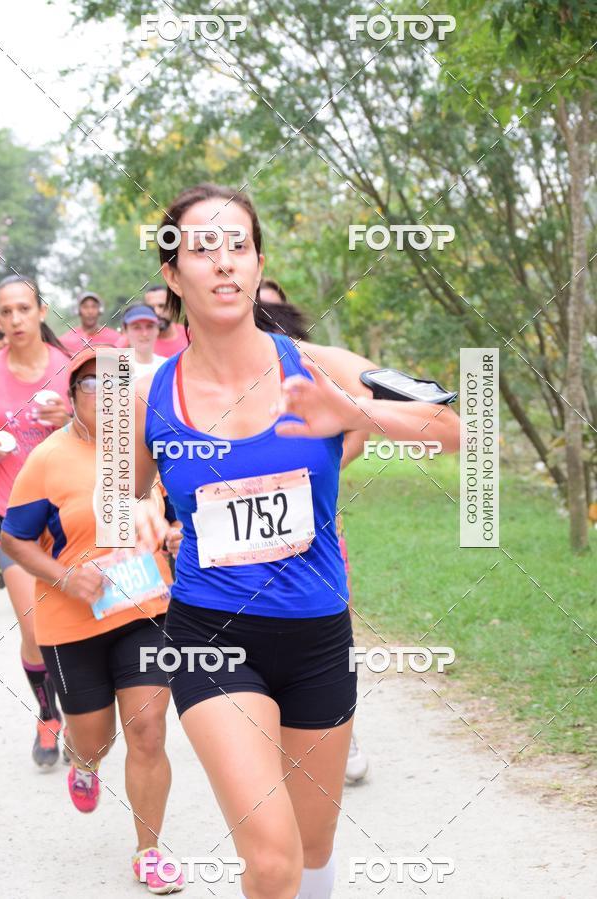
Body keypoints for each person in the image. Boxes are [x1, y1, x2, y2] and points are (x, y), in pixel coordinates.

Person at [133, 182, 460, 899]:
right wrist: (138, 515)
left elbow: (457, 429)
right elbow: (119, 491)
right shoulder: (151, 392)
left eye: (239, 246)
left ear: (257, 265)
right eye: (202, 247)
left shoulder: (318, 365)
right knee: (273, 860)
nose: (224, 263)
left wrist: (354, 410)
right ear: (171, 274)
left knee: (313, 855)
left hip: (316, 637)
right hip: (211, 634)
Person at [1, 345, 185, 894]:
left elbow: (172, 512)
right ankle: (84, 761)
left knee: (149, 731)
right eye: (91, 386)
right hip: (72, 621)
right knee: (95, 737)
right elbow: (14, 539)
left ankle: (148, 852)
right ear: (73, 395)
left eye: (116, 386)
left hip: (144, 609)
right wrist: (65, 577)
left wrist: (173, 535)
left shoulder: (145, 451)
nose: (105, 397)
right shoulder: (48, 459)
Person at [254, 280, 370, 784]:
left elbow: (369, 423)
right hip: (239, 546)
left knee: (328, 615)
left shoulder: (314, 372)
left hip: (316, 526)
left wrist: (317, 474)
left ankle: (339, 724)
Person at [0, 274, 71, 767]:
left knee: (78, 625)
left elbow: (112, 436)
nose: (15, 319)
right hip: (13, 519)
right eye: (5, 312)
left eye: (24, 309)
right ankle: (48, 715)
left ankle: (87, 714)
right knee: (34, 626)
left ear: (41, 312)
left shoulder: (71, 369)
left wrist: (72, 418)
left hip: (70, 517)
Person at [122, 304, 167, 378]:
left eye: (150, 326)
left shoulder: (167, 366)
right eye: (136, 327)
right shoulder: (114, 368)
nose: (144, 333)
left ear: (158, 329)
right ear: (125, 331)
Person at [144, 284, 189, 357]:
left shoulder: (190, 335)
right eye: (151, 307)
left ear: (173, 307)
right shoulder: (136, 340)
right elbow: (121, 366)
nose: (157, 312)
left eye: (162, 306)